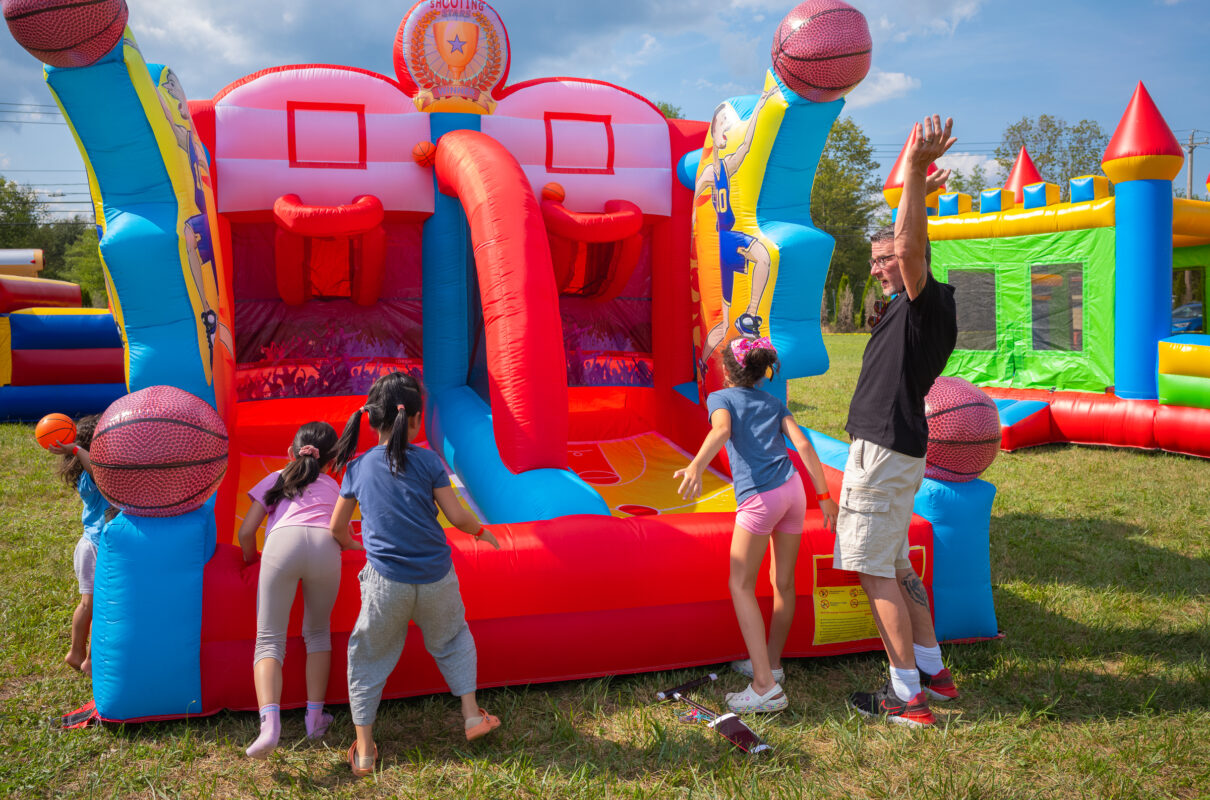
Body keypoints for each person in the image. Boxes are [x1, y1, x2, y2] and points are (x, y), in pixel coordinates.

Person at [839, 114, 959, 728]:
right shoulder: (904, 312)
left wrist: (912, 169)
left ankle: (905, 695)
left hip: (883, 451)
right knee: (898, 565)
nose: (883, 264)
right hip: (897, 449)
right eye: (877, 259)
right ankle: (934, 674)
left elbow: (913, 247)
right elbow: (907, 242)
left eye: (889, 258)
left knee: (870, 568)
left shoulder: (927, 302)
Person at [330, 372, 502, 777]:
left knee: (368, 656)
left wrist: (355, 546)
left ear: (372, 419)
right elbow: (456, 516)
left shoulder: (357, 467)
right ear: (416, 420)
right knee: (454, 638)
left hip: (386, 582)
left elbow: (337, 529)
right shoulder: (428, 461)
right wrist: (482, 531)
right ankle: (472, 716)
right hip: (435, 577)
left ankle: (367, 749)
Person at [676, 337, 838, 713]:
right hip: (794, 491)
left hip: (760, 499)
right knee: (783, 582)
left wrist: (696, 466)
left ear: (726, 370)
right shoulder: (773, 401)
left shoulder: (721, 399)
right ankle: (773, 665)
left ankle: (764, 686)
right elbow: (805, 446)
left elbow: (720, 432)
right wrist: (824, 497)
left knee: (740, 583)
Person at [237, 421, 343, 759]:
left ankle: (270, 725)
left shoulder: (276, 479)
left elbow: (246, 531)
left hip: (282, 546)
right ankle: (315, 719)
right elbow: (343, 528)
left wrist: (251, 561)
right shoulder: (335, 487)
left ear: (289, 453)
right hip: (326, 548)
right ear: (333, 459)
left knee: (269, 639)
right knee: (318, 633)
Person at [694, 86, 777, 368]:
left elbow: (747, 146)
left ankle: (747, 318)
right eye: (722, 128)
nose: (726, 131)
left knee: (763, 257)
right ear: (715, 136)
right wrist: (694, 229)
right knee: (762, 257)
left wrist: (759, 110)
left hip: (729, 238)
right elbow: (696, 201)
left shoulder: (727, 166)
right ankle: (707, 358)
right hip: (726, 240)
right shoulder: (710, 171)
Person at [48, 415, 111, 677]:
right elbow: (95, 467)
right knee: (98, 606)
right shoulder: (94, 475)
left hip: (88, 545)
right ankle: (89, 661)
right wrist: (76, 449)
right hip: (97, 547)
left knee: (89, 604)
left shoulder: (85, 478)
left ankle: (77, 653)